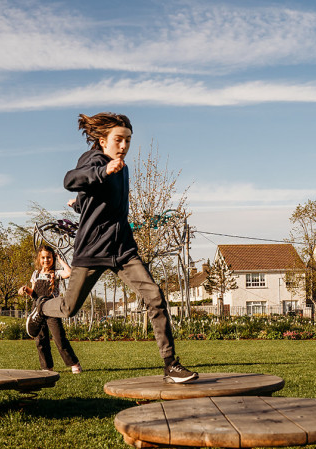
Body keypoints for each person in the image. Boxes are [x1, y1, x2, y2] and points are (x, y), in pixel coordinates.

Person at [26, 112, 197, 383]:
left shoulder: (123, 168)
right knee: (68, 309)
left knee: (155, 296)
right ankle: (44, 306)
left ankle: (171, 364)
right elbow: (71, 180)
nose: (124, 145)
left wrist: (80, 204)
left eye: (128, 140)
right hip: (92, 251)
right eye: (119, 139)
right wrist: (101, 171)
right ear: (102, 140)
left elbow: (102, 200)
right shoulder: (94, 160)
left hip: (122, 251)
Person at [20, 245, 82, 374]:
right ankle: (47, 367)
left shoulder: (56, 273)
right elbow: (34, 293)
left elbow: (69, 273)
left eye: (49, 257)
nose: (46, 260)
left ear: (52, 258)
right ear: (39, 259)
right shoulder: (36, 274)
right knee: (40, 339)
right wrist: (26, 289)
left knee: (59, 338)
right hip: (37, 309)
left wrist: (61, 261)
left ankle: (74, 363)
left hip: (52, 308)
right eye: (43, 257)